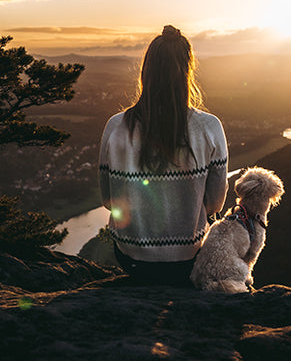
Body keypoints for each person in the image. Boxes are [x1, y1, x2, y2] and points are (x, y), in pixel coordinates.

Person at [98, 25, 228, 285]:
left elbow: (108, 201)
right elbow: (215, 205)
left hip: (130, 257)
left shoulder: (115, 126)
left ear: (147, 71)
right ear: (187, 72)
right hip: (188, 258)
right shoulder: (209, 127)